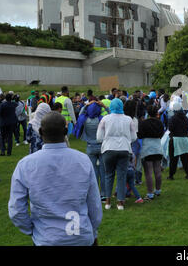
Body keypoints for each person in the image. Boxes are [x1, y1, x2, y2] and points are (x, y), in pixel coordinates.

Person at [8, 112, 102, 246]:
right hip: (80, 237)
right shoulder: (83, 160)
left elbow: (16, 209)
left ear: (40, 132)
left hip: (47, 238)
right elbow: (95, 205)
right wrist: (92, 230)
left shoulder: (26, 164)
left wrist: (32, 231)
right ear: (65, 131)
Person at [96, 98, 137, 210]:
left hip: (108, 149)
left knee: (109, 174)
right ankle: (120, 202)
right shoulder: (128, 119)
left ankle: (108, 202)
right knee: (122, 175)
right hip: (124, 149)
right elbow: (134, 137)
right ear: (121, 106)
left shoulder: (105, 119)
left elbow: (99, 138)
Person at [78, 98, 107, 203]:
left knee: (93, 172)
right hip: (102, 146)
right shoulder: (102, 119)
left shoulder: (85, 119)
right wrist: (104, 106)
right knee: (103, 171)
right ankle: (103, 194)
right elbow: (112, 115)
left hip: (90, 147)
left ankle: (94, 194)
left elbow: (80, 115)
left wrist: (86, 106)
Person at [138, 105, 164, 200]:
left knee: (148, 172)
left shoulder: (144, 123)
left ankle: (150, 193)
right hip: (157, 146)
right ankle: (158, 190)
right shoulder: (160, 123)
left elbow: (139, 135)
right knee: (157, 170)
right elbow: (162, 133)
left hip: (147, 147)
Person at [167, 102, 188, 180]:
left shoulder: (172, 118)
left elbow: (170, 128)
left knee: (173, 159)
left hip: (175, 139)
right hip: (185, 139)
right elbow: (187, 127)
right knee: (186, 159)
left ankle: (171, 175)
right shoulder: (185, 117)